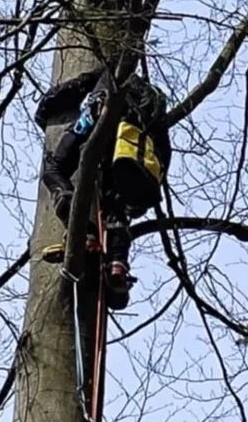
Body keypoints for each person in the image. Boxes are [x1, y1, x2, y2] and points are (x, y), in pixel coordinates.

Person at [34, 65, 171, 309]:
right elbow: (164, 157)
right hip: (135, 153)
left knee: (53, 170)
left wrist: (45, 107)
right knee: (117, 206)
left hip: (102, 120)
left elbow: (75, 87)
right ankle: (117, 263)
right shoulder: (156, 105)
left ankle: (83, 234)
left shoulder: (112, 72)